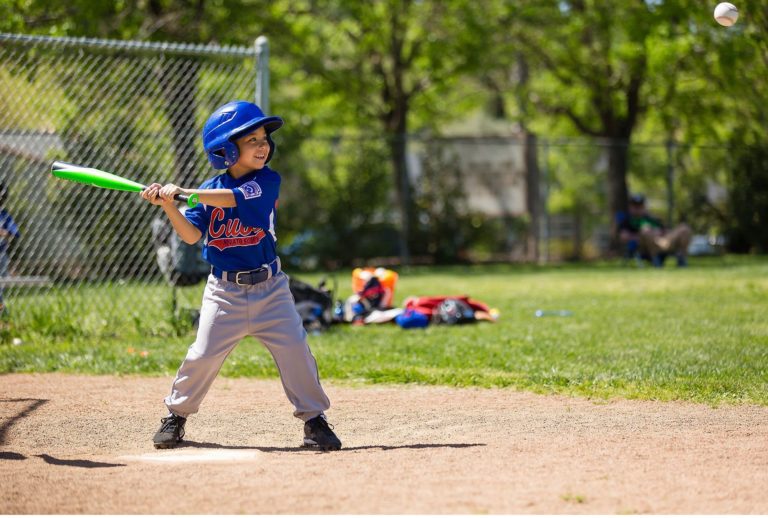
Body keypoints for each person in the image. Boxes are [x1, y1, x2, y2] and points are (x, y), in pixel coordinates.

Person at [140, 100, 341, 451]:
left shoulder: (266, 181)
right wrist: (170, 205)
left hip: (271, 288)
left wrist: (183, 192)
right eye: (251, 140)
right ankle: (176, 416)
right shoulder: (207, 190)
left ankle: (314, 421)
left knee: (295, 350)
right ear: (225, 151)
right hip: (223, 292)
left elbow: (233, 199)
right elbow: (190, 235)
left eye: (264, 138)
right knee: (202, 355)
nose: (262, 145)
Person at [617, 193, 691, 267]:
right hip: (645, 246)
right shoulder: (627, 220)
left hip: (664, 241)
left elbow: (666, 230)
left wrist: (660, 233)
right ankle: (656, 259)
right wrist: (641, 235)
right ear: (630, 207)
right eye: (635, 206)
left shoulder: (652, 219)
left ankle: (682, 258)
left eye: (640, 205)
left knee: (684, 228)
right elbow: (623, 237)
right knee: (646, 230)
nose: (638, 208)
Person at [0, 183, 20, 312]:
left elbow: (14, 233)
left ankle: (1, 307)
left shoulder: (4, 214)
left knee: (1, 280)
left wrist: (3, 232)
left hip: (1, 253)